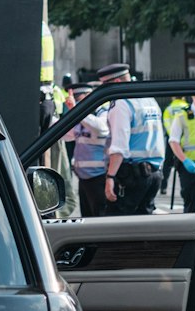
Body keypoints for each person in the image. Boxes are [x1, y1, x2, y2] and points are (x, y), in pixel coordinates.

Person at [100, 61, 165, 216]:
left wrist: (110, 177)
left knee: (119, 225)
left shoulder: (122, 103)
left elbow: (119, 147)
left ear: (116, 82)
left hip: (131, 176)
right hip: (154, 174)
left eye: (104, 86)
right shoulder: (148, 99)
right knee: (144, 225)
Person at [65, 82, 110, 217]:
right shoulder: (82, 116)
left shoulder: (103, 112)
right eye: (77, 101)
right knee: (87, 218)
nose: (79, 105)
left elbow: (102, 128)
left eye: (80, 100)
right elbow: (67, 134)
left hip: (99, 177)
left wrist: (77, 110)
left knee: (100, 218)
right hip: (84, 178)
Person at [168, 93, 195, 214]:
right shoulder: (182, 115)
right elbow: (173, 141)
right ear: (194, 96)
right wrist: (184, 160)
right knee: (190, 204)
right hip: (189, 167)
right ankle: (191, 232)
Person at [161, 94, 190, 198]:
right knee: (184, 163)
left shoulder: (169, 109)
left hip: (172, 141)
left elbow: (167, 124)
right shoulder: (187, 107)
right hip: (186, 140)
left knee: (167, 164)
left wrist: (174, 137)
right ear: (184, 97)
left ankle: (163, 186)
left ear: (172, 97)